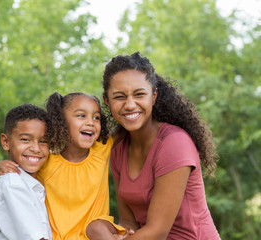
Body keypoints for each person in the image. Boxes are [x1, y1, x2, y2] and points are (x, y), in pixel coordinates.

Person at [86, 52, 221, 240]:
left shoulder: (174, 143)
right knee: (95, 227)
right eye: (119, 97)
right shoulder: (118, 149)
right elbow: (129, 222)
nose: (130, 105)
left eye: (139, 94)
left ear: (154, 96)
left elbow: (157, 232)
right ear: (107, 101)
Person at [0, 92, 128, 240]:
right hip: (57, 237)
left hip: (96, 234)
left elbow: (127, 123)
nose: (91, 122)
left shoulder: (100, 151)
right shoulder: (46, 163)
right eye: (81, 115)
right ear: (62, 120)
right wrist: (1, 164)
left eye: (96, 117)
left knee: (96, 227)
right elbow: (22, 172)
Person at [0, 104, 53, 240]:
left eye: (43, 141)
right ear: (6, 142)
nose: (36, 148)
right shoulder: (12, 185)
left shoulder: (35, 184)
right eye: (25, 139)